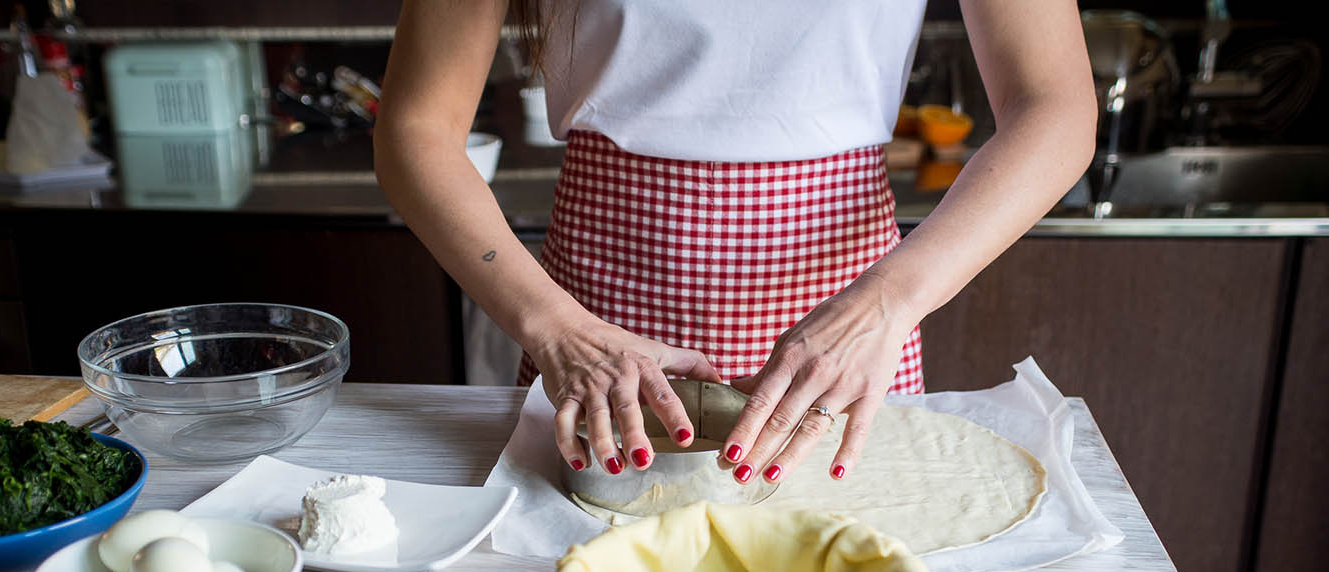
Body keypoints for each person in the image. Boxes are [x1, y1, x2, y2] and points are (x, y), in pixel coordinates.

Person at [375, 1, 1096, 484]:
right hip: (592, 333)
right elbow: (416, 129)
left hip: (847, 335)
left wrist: (885, 307)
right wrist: (556, 329)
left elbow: (1056, 106)